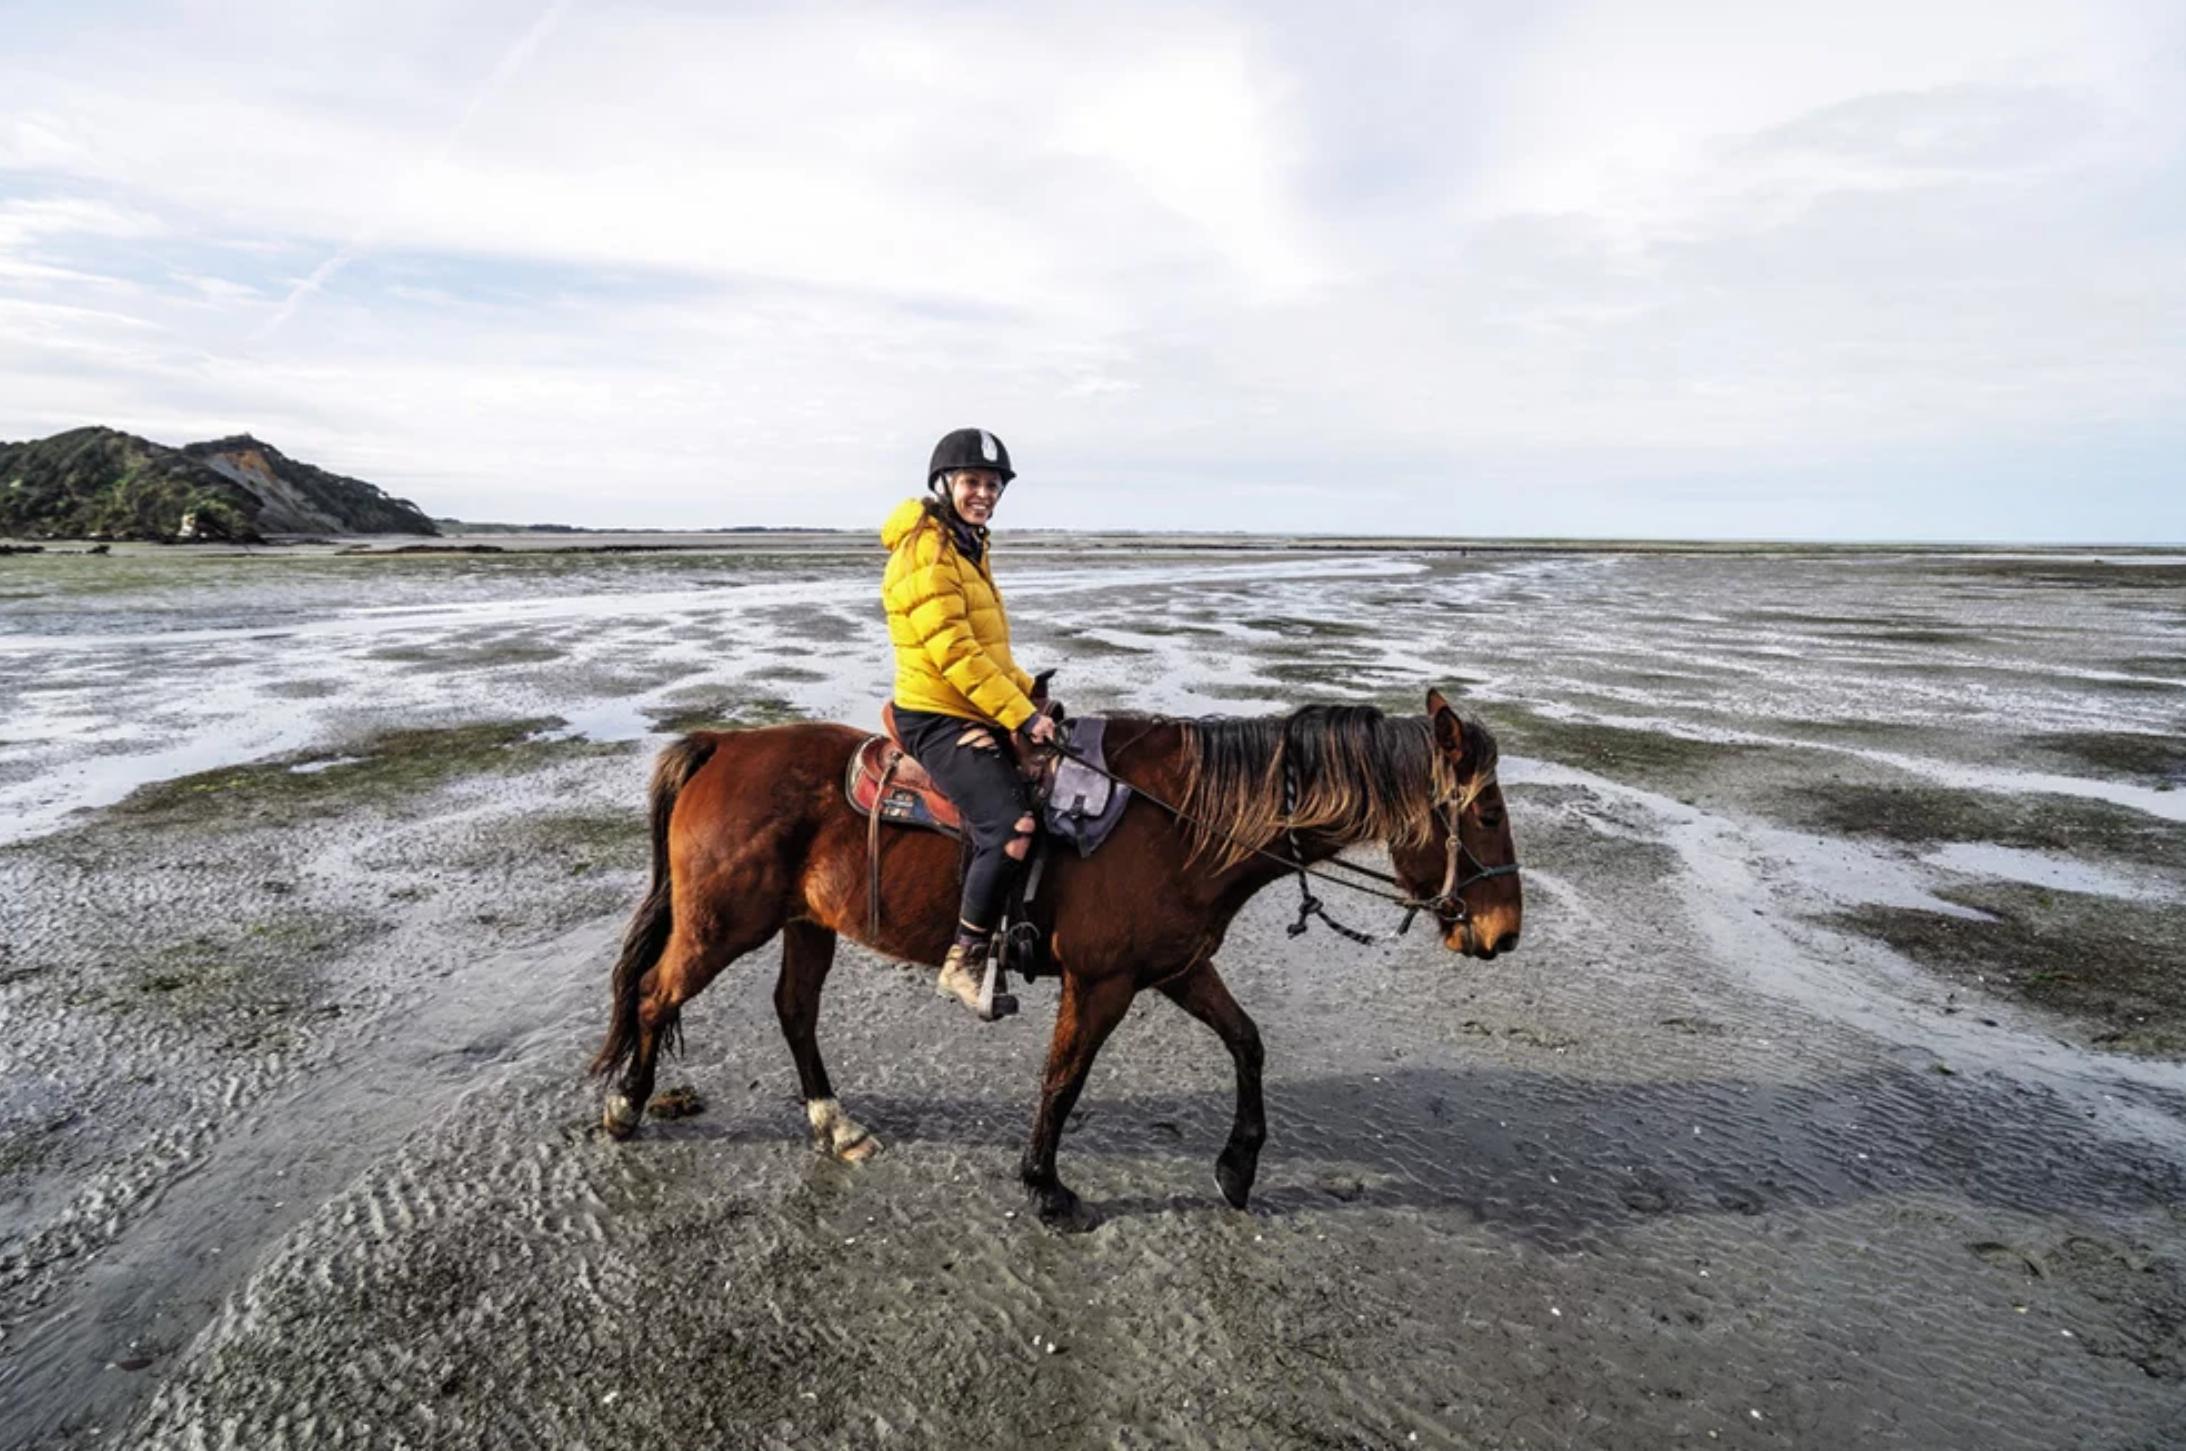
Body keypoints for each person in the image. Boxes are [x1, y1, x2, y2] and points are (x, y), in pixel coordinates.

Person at [880, 428, 1059, 1018]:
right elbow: (953, 652)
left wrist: (1028, 696)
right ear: (944, 485)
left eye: (991, 484)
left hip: (969, 701)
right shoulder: (925, 551)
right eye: (971, 482)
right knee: (1013, 823)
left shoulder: (966, 543)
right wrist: (1017, 715)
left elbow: (990, 650)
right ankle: (965, 956)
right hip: (935, 712)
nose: (982, 493)